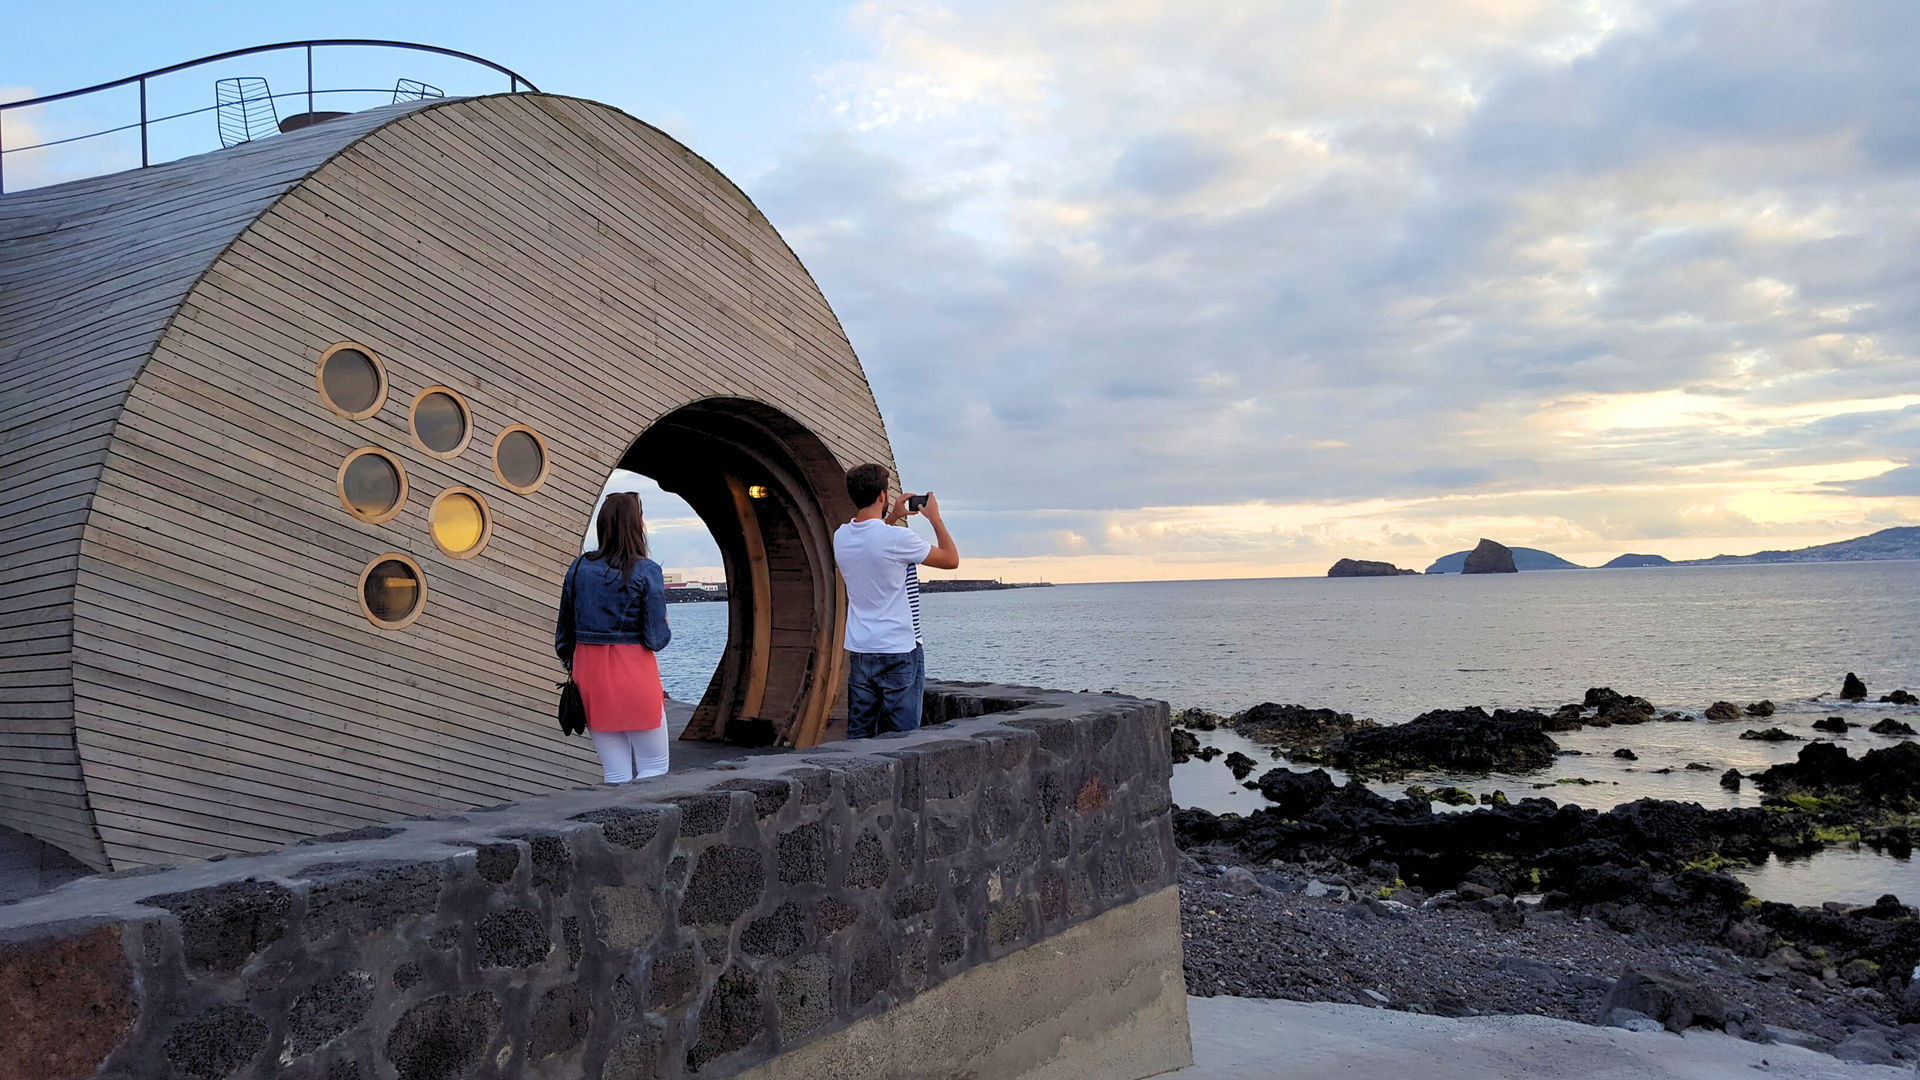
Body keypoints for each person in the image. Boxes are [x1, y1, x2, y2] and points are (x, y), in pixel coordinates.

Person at [833, 463, 959, 738]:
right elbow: (951, 560)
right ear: (882, 495)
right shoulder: (898, 538)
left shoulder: (841, 537)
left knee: (859, 734)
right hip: (900, 648)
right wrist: (935, 518)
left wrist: (891, 516)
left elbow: (872, 541)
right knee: (901, 738)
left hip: (862, 648)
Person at [555, 492, 672, 782]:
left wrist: (577, 664)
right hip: (632, 671)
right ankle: (647, 828)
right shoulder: (646, 570)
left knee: (615, 772)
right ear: (637, 524)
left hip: (590, 674)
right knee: (654, 766)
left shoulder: (578, 568)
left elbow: (563, 636)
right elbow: (656, 639)